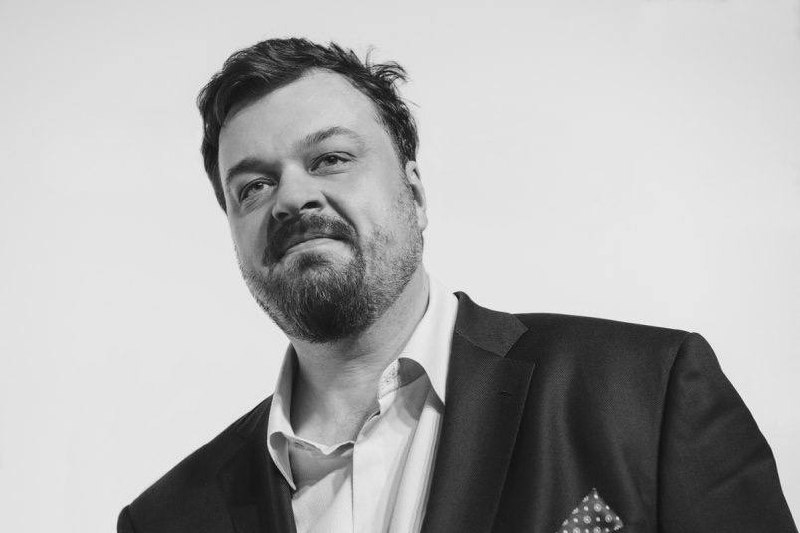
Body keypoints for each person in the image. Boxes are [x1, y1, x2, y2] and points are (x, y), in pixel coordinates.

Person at [117, 38, 797, 533]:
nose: (292, 197)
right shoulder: (168, 520)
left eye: (330, 158)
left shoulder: (645, 393)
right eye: (253, 186)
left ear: (414, 192)